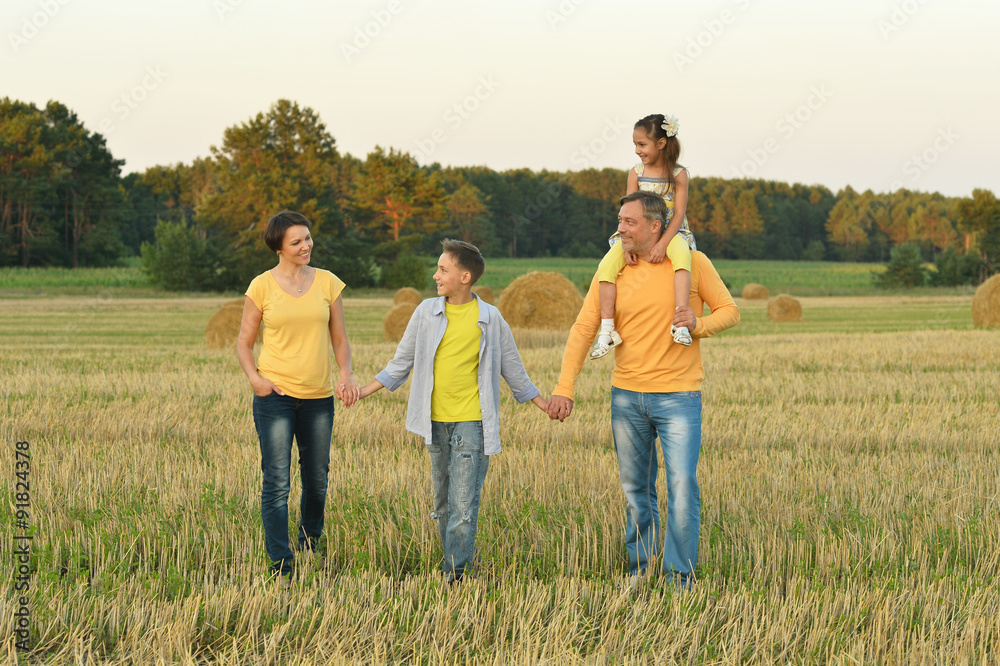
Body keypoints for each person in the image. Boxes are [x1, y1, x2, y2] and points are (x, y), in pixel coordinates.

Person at [548, 191, 739, 587]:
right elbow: (585, 328)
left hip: (679, 397)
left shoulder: (693, 263)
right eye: (619, 220)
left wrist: (697, 325)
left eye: (628, 222)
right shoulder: (614, 270)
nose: (619, 228)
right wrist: (565, 386)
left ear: (656, 226)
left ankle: (679, 578)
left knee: (682, 486)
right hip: (626, 397)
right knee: (637, 489)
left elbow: (730, 311)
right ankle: (641, 569)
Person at [356, 239, 549, 583]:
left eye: (443, 269)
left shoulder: (490, 318)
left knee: (463, 504)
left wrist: (543, 403)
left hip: (472, 422)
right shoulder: (425, 313)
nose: (435, 275)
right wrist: (362, 391)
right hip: (434, 422)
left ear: (465, 276)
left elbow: (513, 369)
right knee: (443, 504)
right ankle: (452, 564)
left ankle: (456, 574)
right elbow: (400, 363)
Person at [237, 210, 360, 583]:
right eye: (297, 241)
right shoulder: (260, 286)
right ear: (279, 247)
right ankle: (281, 561)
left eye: (307, 238)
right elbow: (243, 344)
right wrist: (256, 380)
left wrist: (346, 373)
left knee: (317, 478)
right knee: (277, 480)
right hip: (274, 397)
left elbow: (339, 337)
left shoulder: (327, 283)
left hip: (319, 397)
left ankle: (310, 543)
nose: (306, 246)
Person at [591, 113, 698, 359]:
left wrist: (663, 243)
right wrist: (627, 247)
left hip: (672, 232)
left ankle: (681, 322)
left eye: (642, 144)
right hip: (638, 234)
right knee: (606, 266)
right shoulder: (636, 172)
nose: (637, 150)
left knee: (682, 258)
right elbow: (629, 210)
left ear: (661, 143)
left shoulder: (679, 174)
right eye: (635, 145)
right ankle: (607, 331)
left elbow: (679, 213)